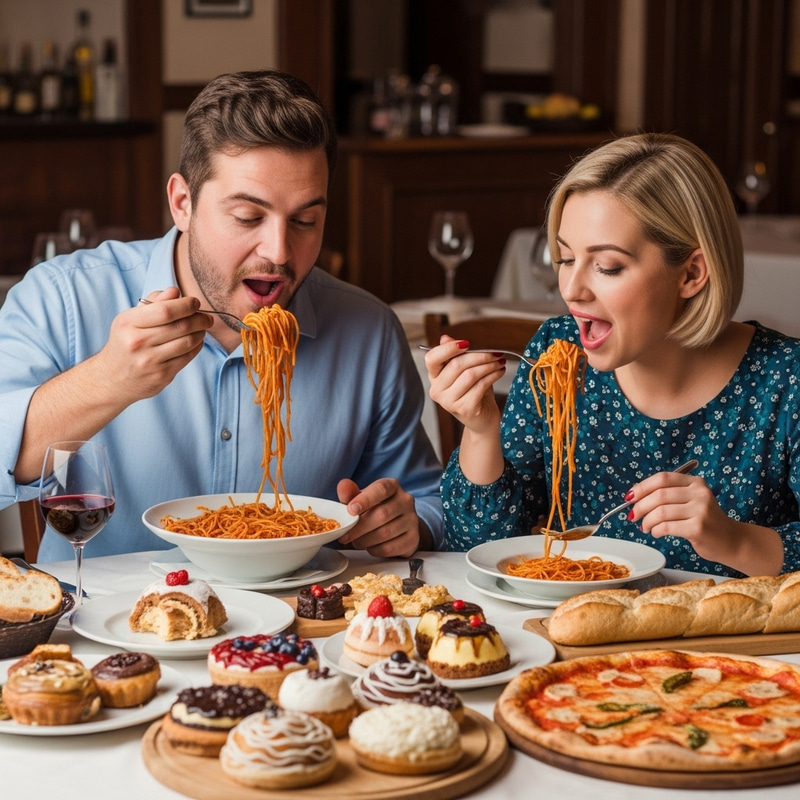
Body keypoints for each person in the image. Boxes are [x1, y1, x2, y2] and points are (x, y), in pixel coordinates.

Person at [0, 70, 443, 561]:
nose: (278, 251)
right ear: (182, 203)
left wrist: (408, 524)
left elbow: (425, 499)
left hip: (297, 625)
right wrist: (108, 379)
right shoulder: (63, 298)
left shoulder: (369, 331)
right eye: (248, 217)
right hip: (100, 627)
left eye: (305, 220)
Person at [425, 132, 800, 578]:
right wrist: (482, 430)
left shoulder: (786, 380)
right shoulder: (558, 351)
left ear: (692, 273)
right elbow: (480, 547)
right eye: (565, 259)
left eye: (607, 267)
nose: (572, 289)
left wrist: (735, 539)